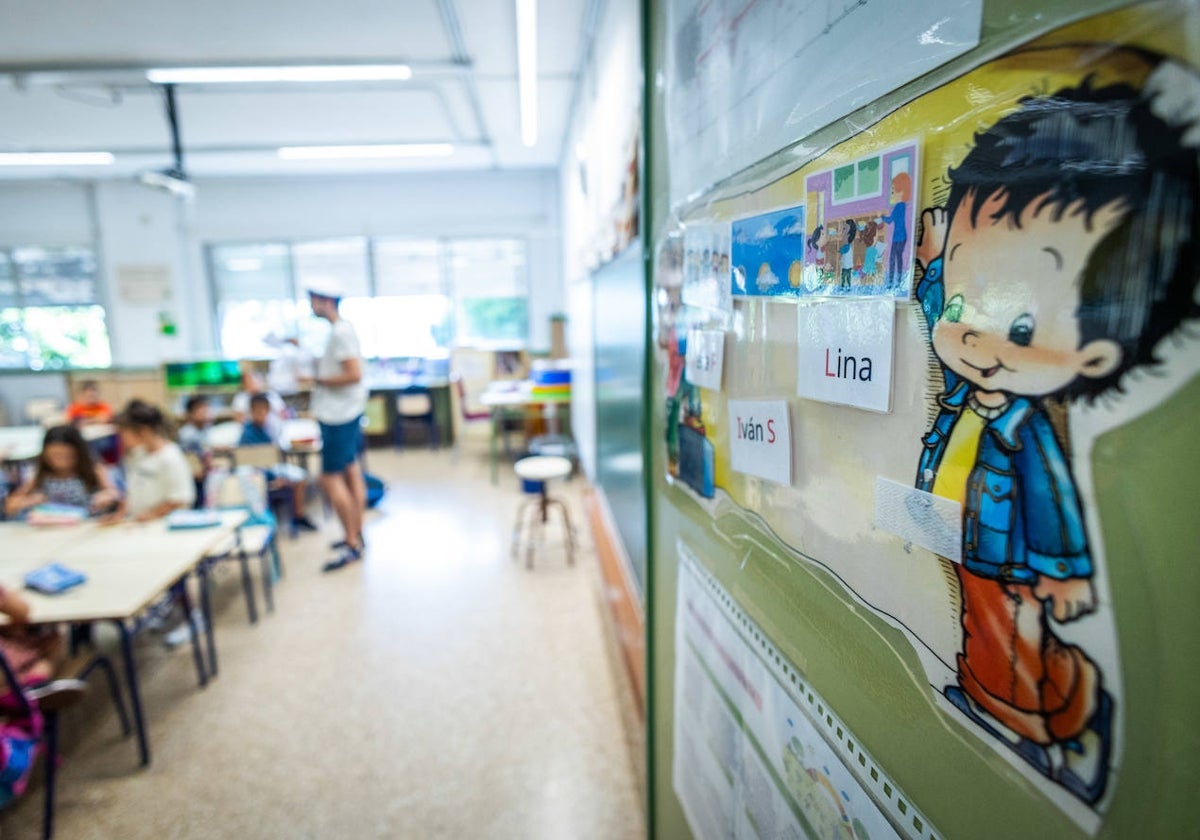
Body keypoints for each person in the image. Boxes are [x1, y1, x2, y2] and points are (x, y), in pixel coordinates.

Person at [912, 65, 1198, 805]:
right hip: (967, 540)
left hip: (1013, 558)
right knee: (984, 634)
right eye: (964, 299)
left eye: (1020, 326)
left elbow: (1053, 497)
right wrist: (927, 275)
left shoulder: (1025, 429)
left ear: (1096, 357)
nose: (975, 338)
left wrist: (1066, 570)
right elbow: (938, 305)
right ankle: (1003, 702)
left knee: (1018, 642)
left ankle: (1060, 723)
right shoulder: (970, 392)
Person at [306, 280, 368, 572]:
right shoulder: (342, 330)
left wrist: (316, 380)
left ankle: (352, 542)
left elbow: (353, 373)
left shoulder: (341, 332)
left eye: (313, 300)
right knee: (351, 469)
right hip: (345, 412)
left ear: (326, 301)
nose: (311, 306)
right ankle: (355, 532)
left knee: (329, 477)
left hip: (338, 415)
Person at [3, 425, 120, 519]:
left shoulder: (93, 469)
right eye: (55, 456)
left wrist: (106, 496)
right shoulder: (40, 475)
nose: (61, 462)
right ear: (45, 455)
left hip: (87, 528)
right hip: (51, 531)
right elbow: (10, 506)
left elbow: (115, 494)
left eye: (68, 456)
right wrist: (28, 501)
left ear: (79, 454)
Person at [239, 393, 317, 532]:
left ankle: (298, 516)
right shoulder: (247, 432)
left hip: (273, 467)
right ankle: (263, 516)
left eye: (263, 410)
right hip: (258, 472)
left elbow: (276, 454)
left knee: (301, 476)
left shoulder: (271, 427)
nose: (260, 414)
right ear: (251, 412)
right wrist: (274, 479)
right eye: (256, 411)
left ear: (268, 411)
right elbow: (249, 461)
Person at [110, 400, 195, 522]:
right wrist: (120, 514)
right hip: (139, 526)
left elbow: (179, 499)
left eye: (124, 433)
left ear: (143, 431)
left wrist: (151, 515)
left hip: (163, 526)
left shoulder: (170, 456)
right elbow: (132, 491)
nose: (121, 438)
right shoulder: (137, 454)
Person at [177, 395, 213, 507]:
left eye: (206, 409)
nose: (204, 412)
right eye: (200, 409)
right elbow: (186, 457)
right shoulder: (186, 434)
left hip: (205, 472)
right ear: (190, 414)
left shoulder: (206, 430)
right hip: (192, 476)